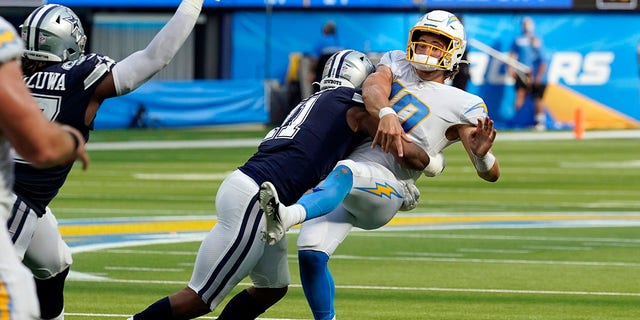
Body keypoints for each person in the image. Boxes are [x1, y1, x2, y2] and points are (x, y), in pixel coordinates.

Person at [130, 50, 414, 320]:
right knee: (200, 298)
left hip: (257, 193)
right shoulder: (351, 105)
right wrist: (425, 164)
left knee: (271, 288)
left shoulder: (312, 103)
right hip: (257, 199)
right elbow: (401, 145)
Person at [259, 10, 501, 320]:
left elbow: (491, 174)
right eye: (421, 42)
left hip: (387, 186)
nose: (426, 50)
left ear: (453, 51)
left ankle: (287, 214)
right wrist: (386, 113)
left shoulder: (464, 103)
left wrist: (482, 155)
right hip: (341, 185)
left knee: (347, 171)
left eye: (435, 46)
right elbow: (373, 88)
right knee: (311, 254)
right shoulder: (396, 61)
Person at [6, 1, 202, 319]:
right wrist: (192, 4)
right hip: (15, 203)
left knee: (55, 264)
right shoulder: (80, 77)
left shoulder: (9, 76)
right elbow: (156, 57)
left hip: (24, 199)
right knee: (8, 290)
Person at [0, 16, 89, 320]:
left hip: (16, 196)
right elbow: (39, 146)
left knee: (55, 261)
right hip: (10, 197)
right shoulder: (4, 35)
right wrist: (71, 142)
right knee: (15, 297)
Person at [508, 16, 548, 131]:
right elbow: (512, 55)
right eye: (524, 24)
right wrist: (511, 69)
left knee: (537, 97)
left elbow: (542, 61)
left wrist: (538, 76)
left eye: (528, 24)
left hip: (534, 73)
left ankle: (540, 121)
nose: (526, 26)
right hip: (522, 72)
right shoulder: (518, 40)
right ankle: (516, 119)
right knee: (520, 93)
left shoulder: (536, 40)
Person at [310, 21, 343, 88]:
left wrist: (312, 72)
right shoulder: (341, 42)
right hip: (339, 77)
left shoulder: (320, 42)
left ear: (324, 31)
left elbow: (314, 60)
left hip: (321, 77)